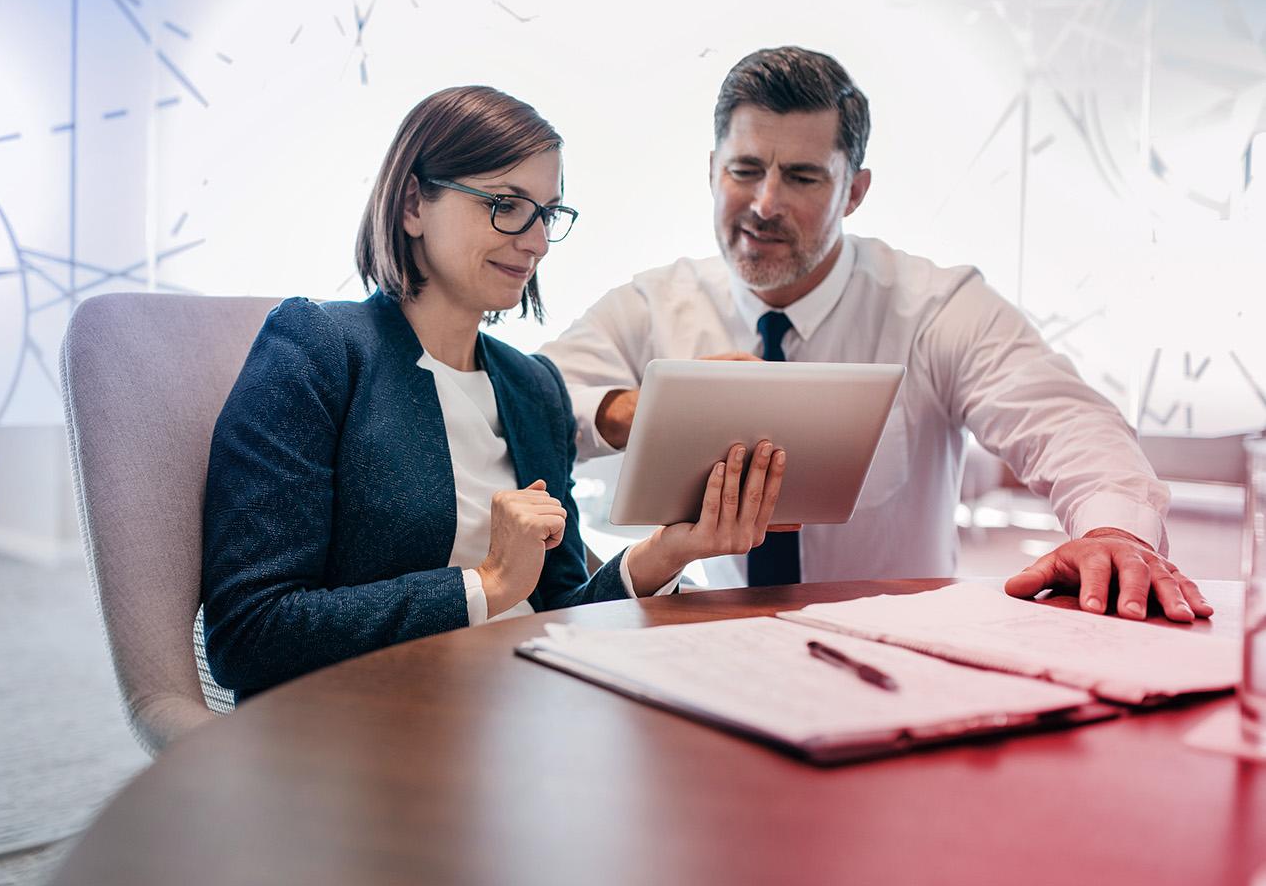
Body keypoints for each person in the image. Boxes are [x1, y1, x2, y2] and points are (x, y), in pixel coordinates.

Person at [540, 46, 1211, 625]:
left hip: (895, 667)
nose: (765, 203)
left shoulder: (933, 308)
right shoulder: (652, 305)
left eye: (802, 176)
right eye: (744, 170)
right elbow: (522, 401)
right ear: (712, 169)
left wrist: (1114, 532)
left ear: (854, 191)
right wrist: (634, 410)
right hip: (694, 657)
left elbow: (1065, 421)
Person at [202, 85, 793, 700]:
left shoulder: (533, 387)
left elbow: (561, 607)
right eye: (507, 205)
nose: (535, 241)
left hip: (527, 705)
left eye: (547, 213)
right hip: (378, 722)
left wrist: (664, 553)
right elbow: (248, 634)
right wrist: (486, 583)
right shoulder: (319, 348)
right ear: (412, 205)